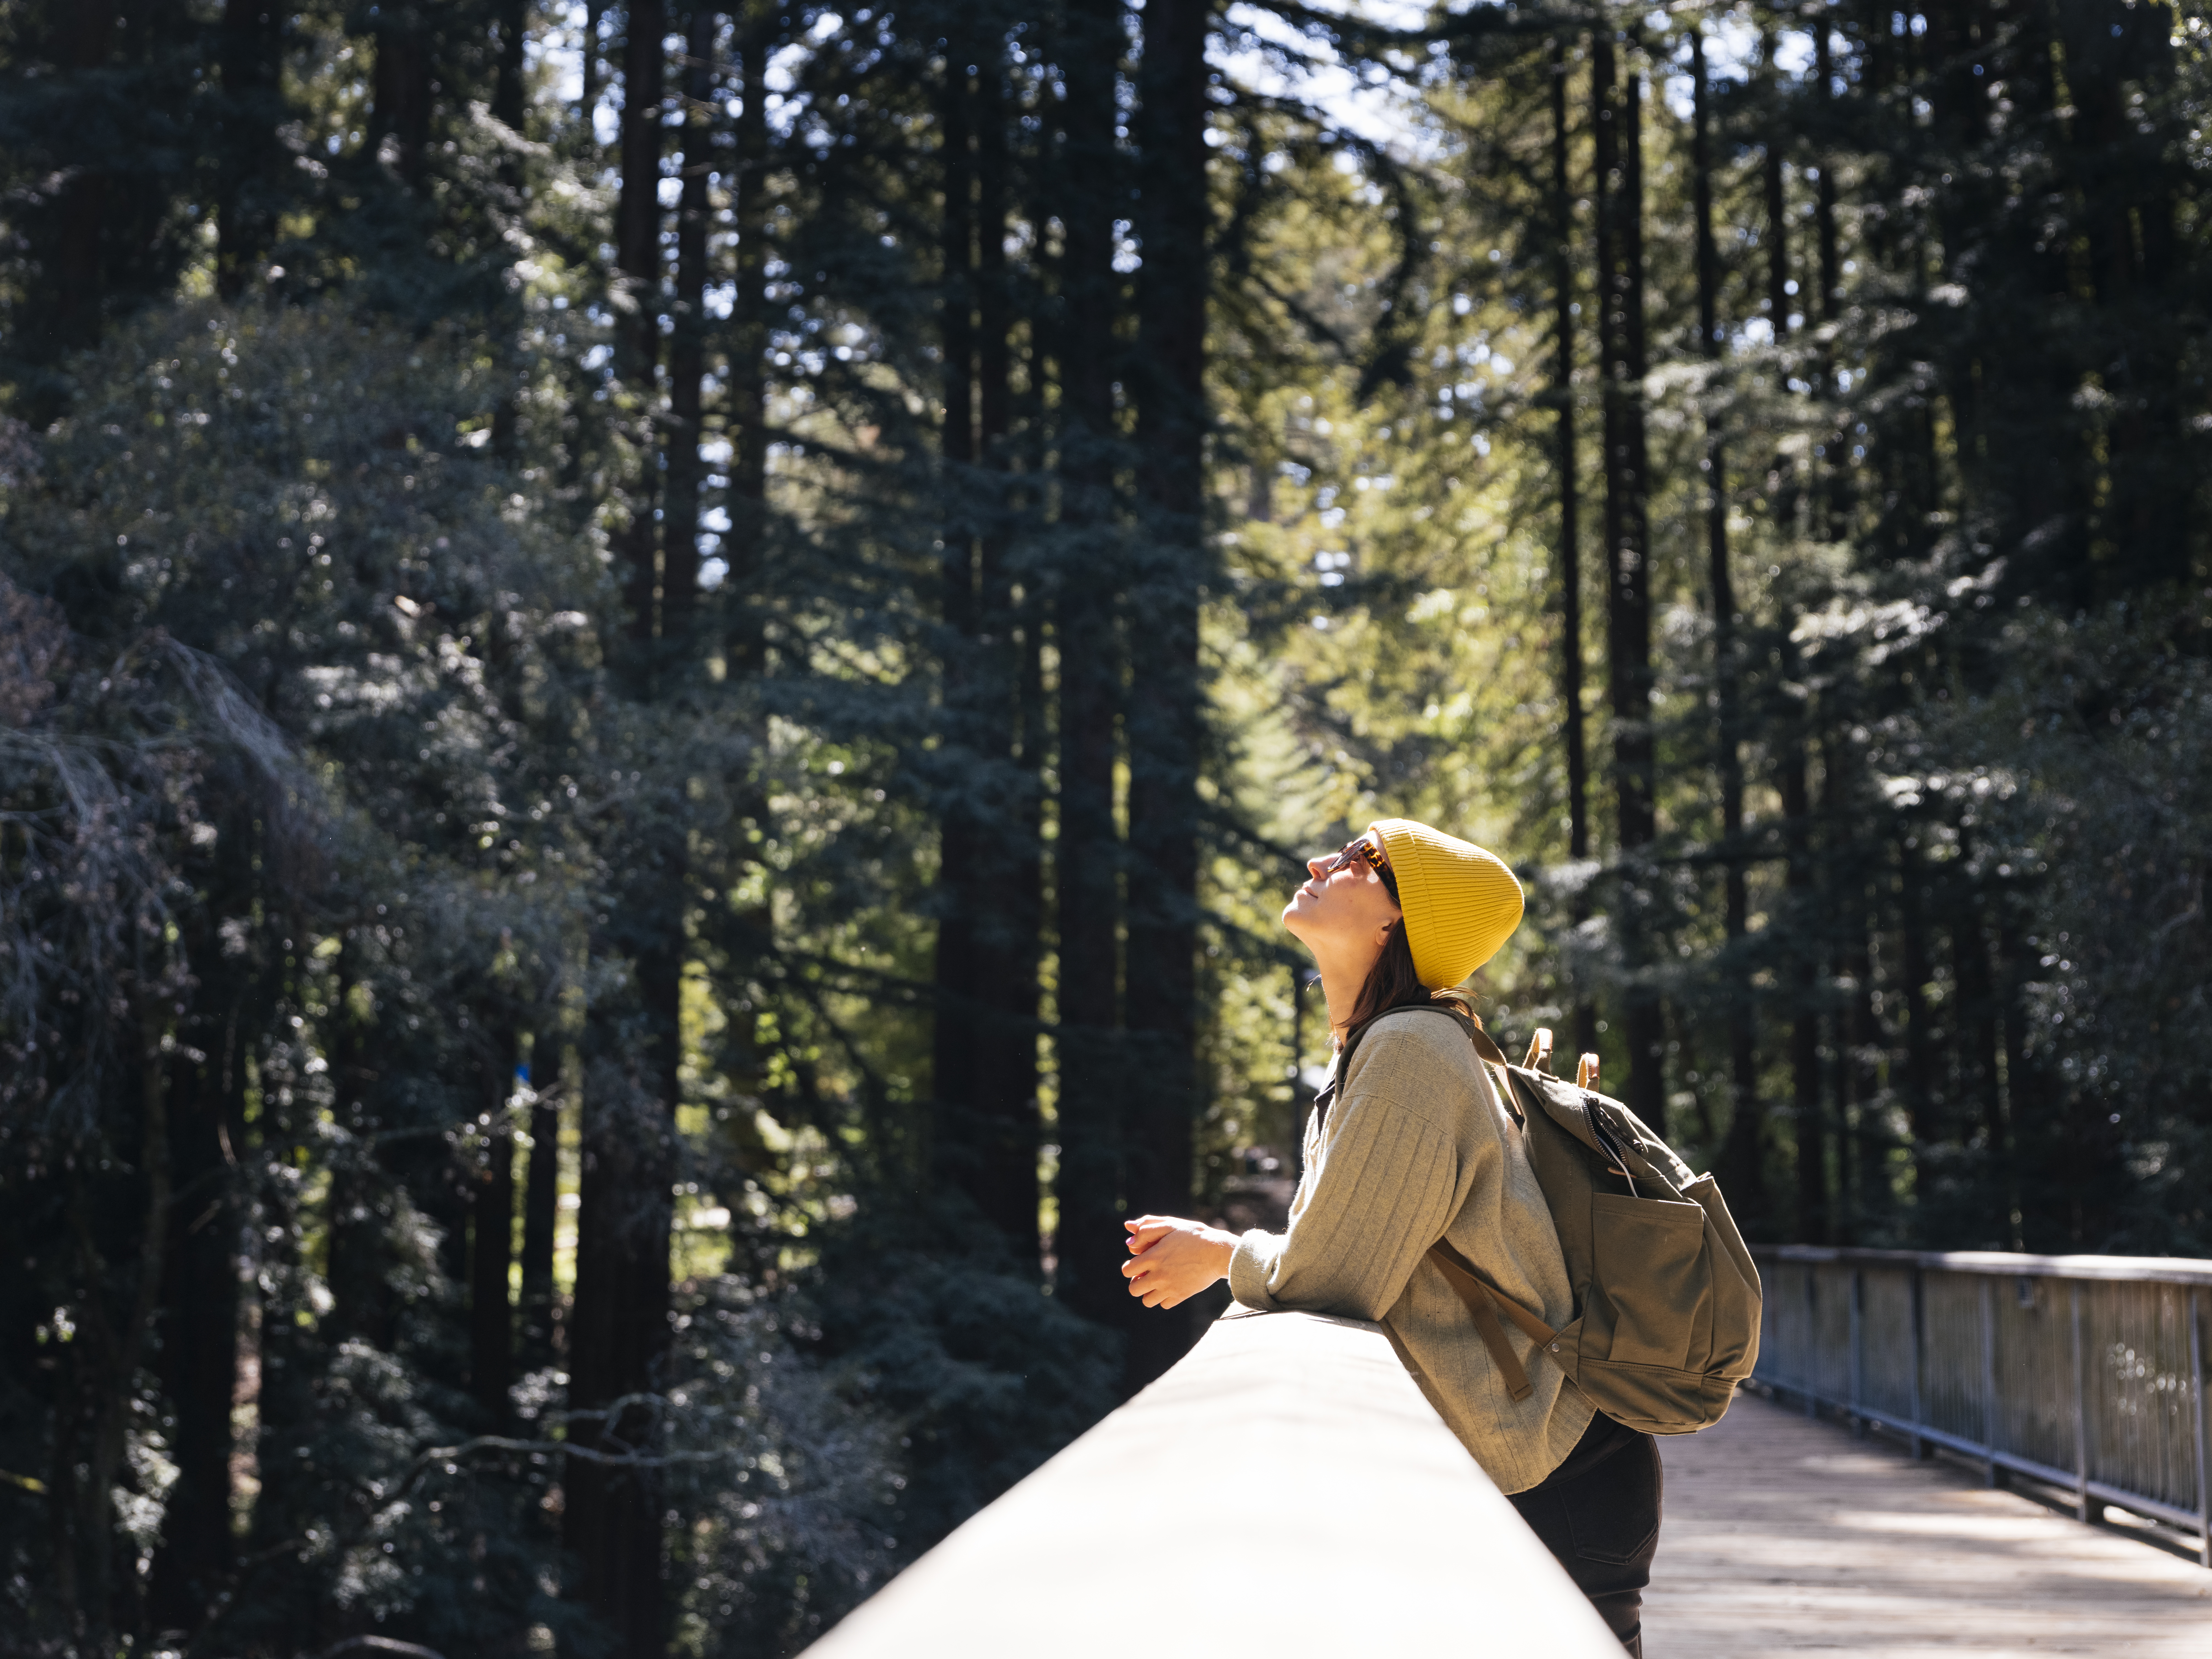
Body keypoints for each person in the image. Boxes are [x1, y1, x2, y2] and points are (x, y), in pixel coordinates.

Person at [1120, 818, 1661, 1655]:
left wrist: (1221, 1257)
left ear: (1400, 920)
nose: (1318, 860)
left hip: (1555, 1478)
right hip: (1551, 1468)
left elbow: (1338, 1275)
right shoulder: (1383, 1049)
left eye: (1359, 859)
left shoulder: (1410, 1051)